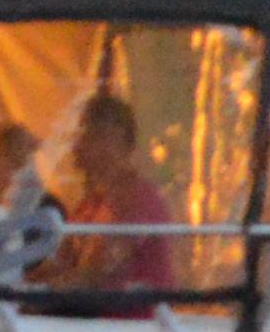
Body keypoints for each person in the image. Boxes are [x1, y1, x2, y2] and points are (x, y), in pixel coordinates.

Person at [45, 89, 182, 296]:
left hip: (127, 323)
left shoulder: (137, 200)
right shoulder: (90, 204)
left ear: (111, 138)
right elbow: (61, 263)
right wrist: (15, 284)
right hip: (93, 320)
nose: (73, 147)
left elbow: (95, 273)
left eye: (81, 135)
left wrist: (32, 299)